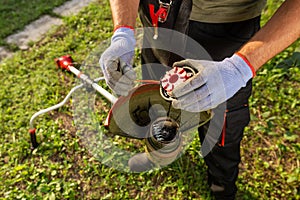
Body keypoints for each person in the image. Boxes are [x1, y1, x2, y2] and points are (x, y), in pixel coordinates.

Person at [100, 0, 300, 199]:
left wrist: (240, 67)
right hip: (158, 20)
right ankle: (159, 155)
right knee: (155, 107)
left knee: (222, 129)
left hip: (224, 31)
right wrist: (123, 33)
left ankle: (222, 188)